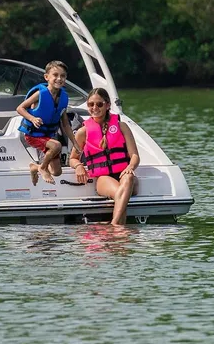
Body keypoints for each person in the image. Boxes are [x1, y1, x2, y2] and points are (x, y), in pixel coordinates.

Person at [68, 88, 140, 225]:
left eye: (99, 104)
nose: (95, 108)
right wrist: (78, 166)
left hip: (123, 173)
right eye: (91, 104)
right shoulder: (83, 132)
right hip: (103, 179)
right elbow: (73, 158)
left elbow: (135, 155)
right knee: (122, 194)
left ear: (107, 105)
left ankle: (115, 227)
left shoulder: (122, 126)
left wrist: (130, 166)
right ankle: (117, 227)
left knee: (129, 178)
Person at [16, 60, 81, 185]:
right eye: (55, 75)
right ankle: (42, 167)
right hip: (33, 135)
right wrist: (32, 118)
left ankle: (35, 167)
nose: (59, 78)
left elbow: (65, 124)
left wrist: (75, 144)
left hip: (48, 137)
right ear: (47, 77)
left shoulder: (64, 97)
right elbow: (20, 108)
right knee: (56, 146)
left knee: (56, 172)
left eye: (62, 76)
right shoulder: (40, 94)